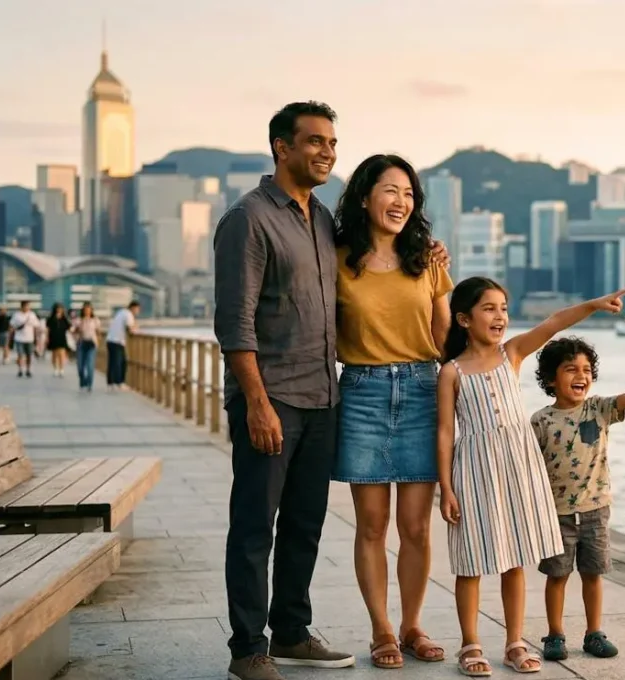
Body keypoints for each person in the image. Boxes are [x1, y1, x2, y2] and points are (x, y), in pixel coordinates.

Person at [212, 101, 354, 680]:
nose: (328, 152)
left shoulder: (321, 218)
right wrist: (257, 404)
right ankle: (248, 648)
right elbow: (235, 324)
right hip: (272, 400)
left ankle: (292, 632)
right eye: (316, 141)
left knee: (304, 525)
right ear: (281, 147)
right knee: (254, 528)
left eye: (332, 143)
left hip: (324, 398)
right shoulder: (247, 218)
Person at [437, 277, 625, 677]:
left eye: (504, 308)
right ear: (463, 319)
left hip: (519, 470)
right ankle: (470, 644)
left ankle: (514, 641)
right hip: (474, 469)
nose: (500, 316)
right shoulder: (451, 372)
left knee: (515, 559)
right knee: (470, 560)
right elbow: (443, 432)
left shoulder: (512, 354)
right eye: (489, 308)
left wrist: (592, 303)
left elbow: (555, 323)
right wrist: (447, 488)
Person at [331, 154, 453, 669]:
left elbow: (445, 338)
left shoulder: (427, 258)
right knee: (372, 525)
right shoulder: (336, 258)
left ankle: (412, 625)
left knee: (417, 528)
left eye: (409, 194)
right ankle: (382, 628)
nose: (401, 202)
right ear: (364, 197)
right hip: (362, 391)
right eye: (390, 191)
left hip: (423, 390)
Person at [530, 337, 625, 661]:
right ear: (550, 379)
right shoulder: (540, 421)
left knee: (592, 574)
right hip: (556, 514)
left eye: (586, 370)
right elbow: (528, 467)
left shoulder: (598, 409)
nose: (581, 376)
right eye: (571, 369)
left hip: (595, 511)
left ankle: (593, 633)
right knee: (557, 576)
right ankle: (555, 634)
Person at [105, 301, 139, 389]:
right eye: (137, 309)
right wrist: (135, 330)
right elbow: (130, 329)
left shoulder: (121, 312)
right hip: (117, 341)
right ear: (133, 308)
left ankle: (110, 382)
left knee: (112, 362)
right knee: (121, 362)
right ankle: (120, 382)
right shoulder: (128, 314)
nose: (137, 312)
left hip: (110, 339)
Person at [72, 302, 101, 391]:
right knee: (80, 366)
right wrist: (77, 329)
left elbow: (98, 332)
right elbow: (73, 331)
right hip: (81, 343)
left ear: (91, 310)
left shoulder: (95, 320)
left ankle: (89, 384)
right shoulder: (78, 320)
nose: (87, 311)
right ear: (83, 310)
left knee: (90, 365)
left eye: (89, 309)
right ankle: (82, 381)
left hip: (91, 343)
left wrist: (98, 342)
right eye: (85, 310)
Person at [9, 301, 37, 378]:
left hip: (29, 338)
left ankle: (28, 370)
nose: (27, 307)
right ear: (22, 307)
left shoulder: (32, 315)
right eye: (25, 306)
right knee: (20, 355)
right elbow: (11, 325)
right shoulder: (16, 315)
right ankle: (20, 370)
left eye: (28, 306)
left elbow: (36, 325)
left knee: (29, 355)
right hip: (19, 338)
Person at [46, 303, 72, 378]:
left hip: (62, 337)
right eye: (58, 308)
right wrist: (47, 338)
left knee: (61, 354)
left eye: (61, 308)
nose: (59, 310)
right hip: (53, 337)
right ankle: (55, 369)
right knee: (54, 354)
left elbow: (69, 327)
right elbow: (48, 329)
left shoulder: (64, 318)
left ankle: (61, 369)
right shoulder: (51, 318)